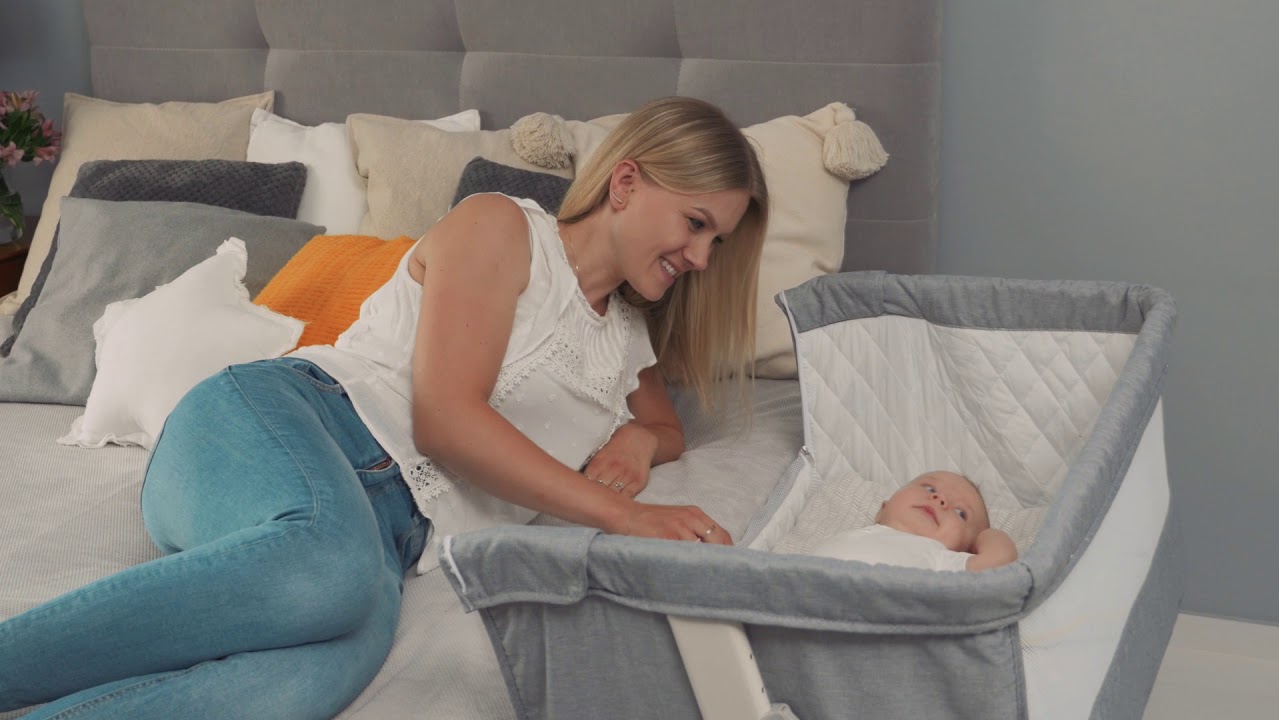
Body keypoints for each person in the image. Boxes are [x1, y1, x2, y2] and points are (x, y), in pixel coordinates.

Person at [0, 96, 769, 719]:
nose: (701, 258)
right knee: (330, 574)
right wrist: (626, 516)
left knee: (322, 673)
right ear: (627, 183)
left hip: (380, 539)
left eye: (718, 241)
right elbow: (446, 420)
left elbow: (664, 426)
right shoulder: (504, 228)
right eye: (695, 224)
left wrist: (638, 442)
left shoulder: (629, 338)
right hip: (279, 424)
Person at [810, 470, 1018, 571]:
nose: (940, 499)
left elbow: (1001, 559)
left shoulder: (940, 557)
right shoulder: (855, 536)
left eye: (960, 512)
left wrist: (986, 536)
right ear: (883, 509)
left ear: (965, 549)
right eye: (929, 488)